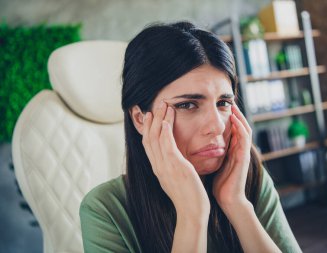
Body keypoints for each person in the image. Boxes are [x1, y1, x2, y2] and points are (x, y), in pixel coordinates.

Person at [80, 21, 302, 253]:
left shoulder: (247, 179)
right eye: (187, 105)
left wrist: (236, 204)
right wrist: (191, 214)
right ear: (140, 119)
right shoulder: (104, 209)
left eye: (223, 103)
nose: (216, 126)